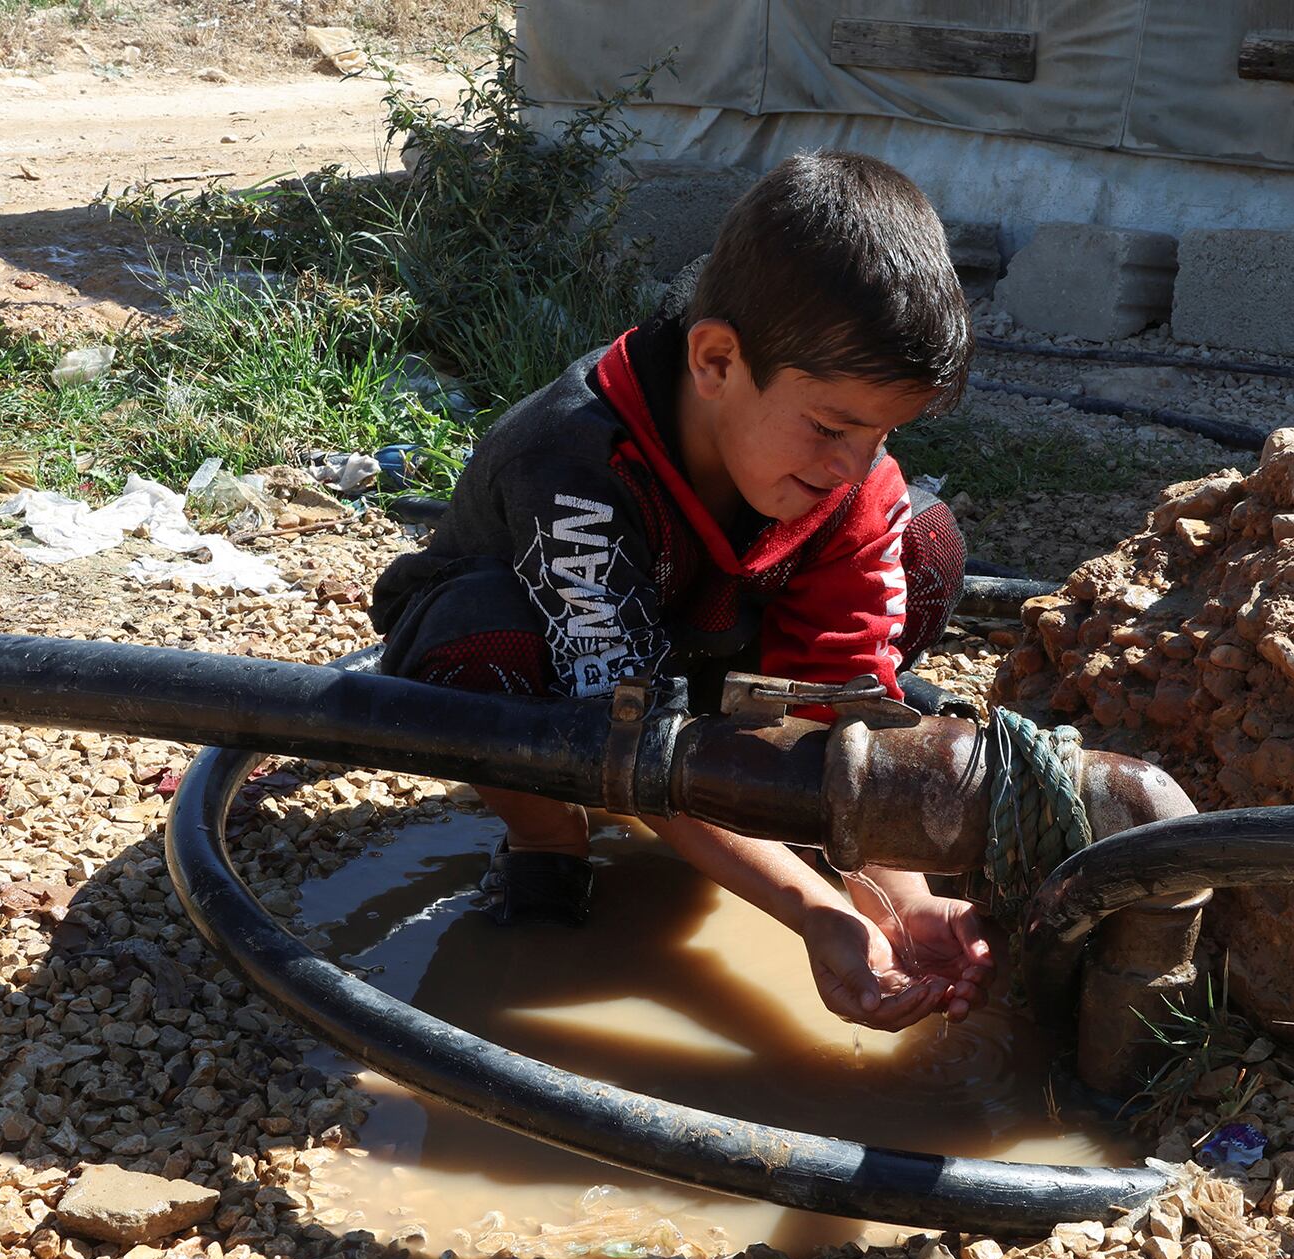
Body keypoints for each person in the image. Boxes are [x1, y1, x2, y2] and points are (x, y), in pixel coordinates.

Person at [369, 150, 989, 1032]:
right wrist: (811, 911)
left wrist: (895, 901)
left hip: (693, 653)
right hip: (545, 661)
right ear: (715, 360)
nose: (852, 465)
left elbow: (842, 698)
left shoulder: (848, 478)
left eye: (880, 433)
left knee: (926, 540)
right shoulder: (573, 462)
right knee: (481, 642)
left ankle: (761, 795)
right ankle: (546, 837)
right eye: (831, 427)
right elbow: (623, 730)